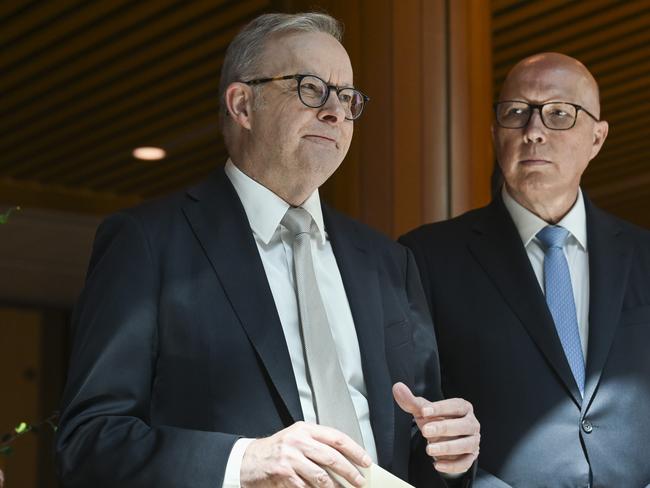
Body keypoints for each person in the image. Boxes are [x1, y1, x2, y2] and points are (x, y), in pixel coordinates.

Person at [55, 12, 480, 488]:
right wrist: (244, 462)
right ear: (242, 104)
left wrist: (453, 453)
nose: (335, 112)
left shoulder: (388, 263)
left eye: (347, 97)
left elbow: (419, 441)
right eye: (311, 89)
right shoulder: (147, 242)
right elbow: (89, 442)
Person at [401, 52, 650, 487]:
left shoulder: (644, 254)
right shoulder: (425, 257)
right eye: (516, 113)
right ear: (496, 133)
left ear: (597, 138)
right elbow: (412, 417)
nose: (534, 132)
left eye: (559, 114)